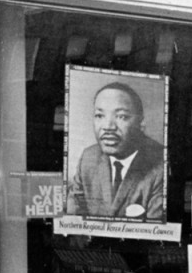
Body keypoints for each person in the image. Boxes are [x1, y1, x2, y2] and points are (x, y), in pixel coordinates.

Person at [68, 82, 166, 220]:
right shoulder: (88, 157)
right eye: (99, 116)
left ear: (141, 123)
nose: (108, 127)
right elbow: (74, 213)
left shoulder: (161, 165)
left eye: (122, 117)